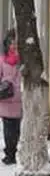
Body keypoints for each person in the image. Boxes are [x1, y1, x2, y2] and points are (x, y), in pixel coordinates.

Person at [0, 30, 22, 165]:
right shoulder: (2, 60)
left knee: (16, 129)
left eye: (15, 43)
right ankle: (10, 152)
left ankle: (12, 151)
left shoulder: (23, 61)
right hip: (6, 99)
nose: (13, 46)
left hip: (18, 98)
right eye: (11, 43)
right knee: (8, 129)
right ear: (6, 45)